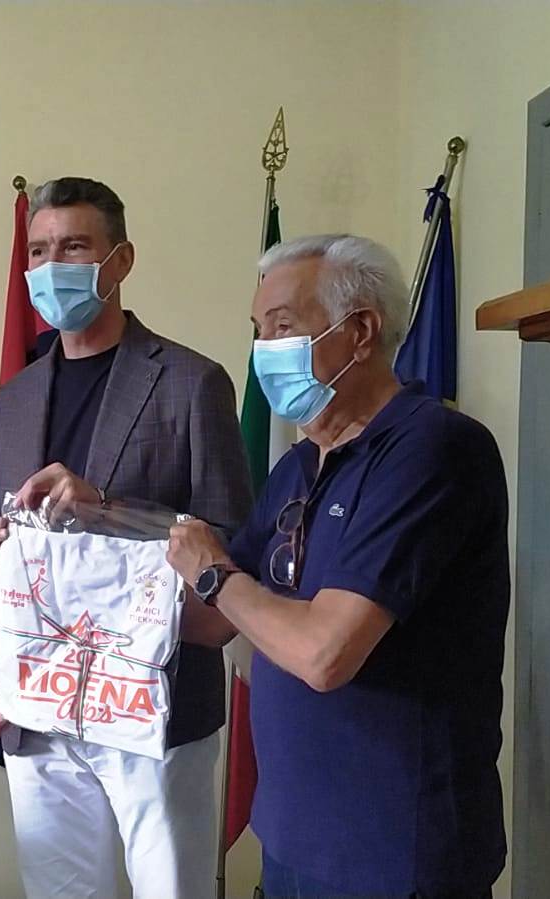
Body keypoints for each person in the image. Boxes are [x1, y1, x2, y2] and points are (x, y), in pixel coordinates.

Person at [166, 234, 510, 899]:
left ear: (360, 332)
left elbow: (324, 654)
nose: (263, 351)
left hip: (392, 852)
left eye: (282, 327)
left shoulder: (432, 448)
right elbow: (212, 621)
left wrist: (212, 573)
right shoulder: (300, 464)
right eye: (258, 330)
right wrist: (77, 547)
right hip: (292, 835)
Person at [0, 176, 252, 898]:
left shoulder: (192, 382)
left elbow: (228, 544)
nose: (50, 265)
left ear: (119, 261)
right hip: (38, 704)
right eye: (38, 251)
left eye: (73, 247)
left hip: (152, 700)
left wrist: (108, 510)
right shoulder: (12, 398)